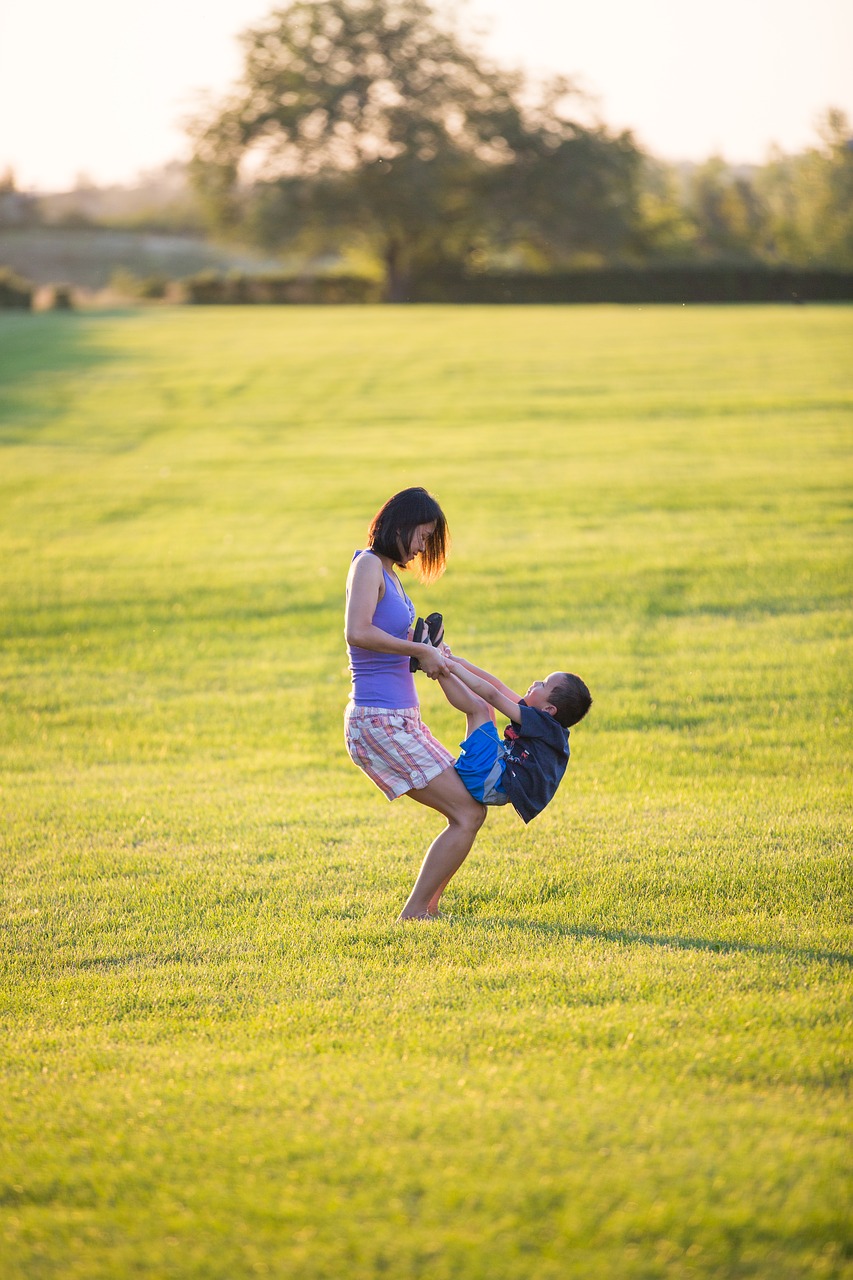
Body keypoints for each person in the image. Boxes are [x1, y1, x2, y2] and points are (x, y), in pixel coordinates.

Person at [344, 487, 487, 922]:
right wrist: (419, 652)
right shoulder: (368, 564)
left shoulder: (390, 575)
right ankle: (415, 913)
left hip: (401, 718)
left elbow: (394, 643)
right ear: (399, 525)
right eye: (422, 537)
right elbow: (357, 631)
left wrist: (427, 649)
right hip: (378, 719)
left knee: (470, 811)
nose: (423, 547)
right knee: (467, 811)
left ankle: (427, 908)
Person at [435, 652, 592, 824]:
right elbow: (499, 688)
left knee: (479, 709)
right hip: (492, 779)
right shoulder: (547, 725)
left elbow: (494, 695)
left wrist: (451, 666)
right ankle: (439, 661)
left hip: (488, 779)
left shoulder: (543, 724)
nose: (535, 683)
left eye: (543, 684)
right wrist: (458, 661)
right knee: (484, 706)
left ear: (549, 709)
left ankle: (437, 667)